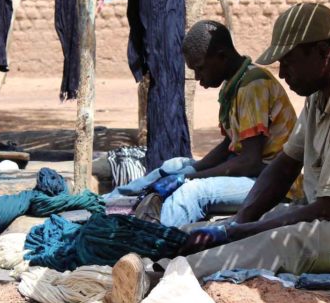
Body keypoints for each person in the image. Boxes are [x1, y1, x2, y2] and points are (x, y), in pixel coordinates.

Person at [103, 3, 330, 303]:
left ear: (322, 52)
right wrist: (237, 223)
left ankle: (157, 281)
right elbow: (285, 165)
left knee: (287, 242)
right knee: (241, 225)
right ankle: (150, 259)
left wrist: (248, 229)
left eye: (288, 62)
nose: (282, 73)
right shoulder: (320, 94)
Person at [111, 20, 298, 228]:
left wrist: (190, 178)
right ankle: (110, 202)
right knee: (173, 166)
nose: (199, 78)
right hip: (254, 171)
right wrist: (189, 170)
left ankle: (156, 241)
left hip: (274, 182)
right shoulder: (234, 84)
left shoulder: (253, 86)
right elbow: (230, 144)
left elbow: (249, 161)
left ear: (221, 57)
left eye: (200, 69)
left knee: (193, 191)